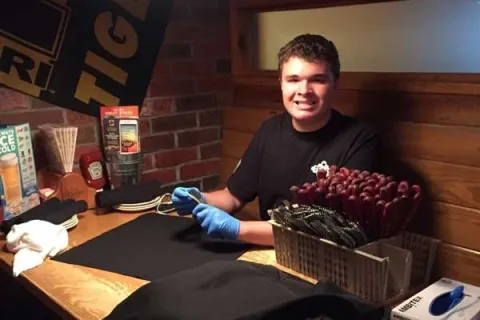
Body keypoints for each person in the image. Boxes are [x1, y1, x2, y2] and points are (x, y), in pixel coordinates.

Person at [172, 34, 381, 246]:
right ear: (280, 83)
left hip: (321, 258)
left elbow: (331, 229)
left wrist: (239, 229)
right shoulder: (269, 130)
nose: (304, 91)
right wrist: (201, 199)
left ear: (335, 83)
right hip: (268, 251)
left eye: (317, 80)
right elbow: (233, 197)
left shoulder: (360, 141)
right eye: (293, 80)